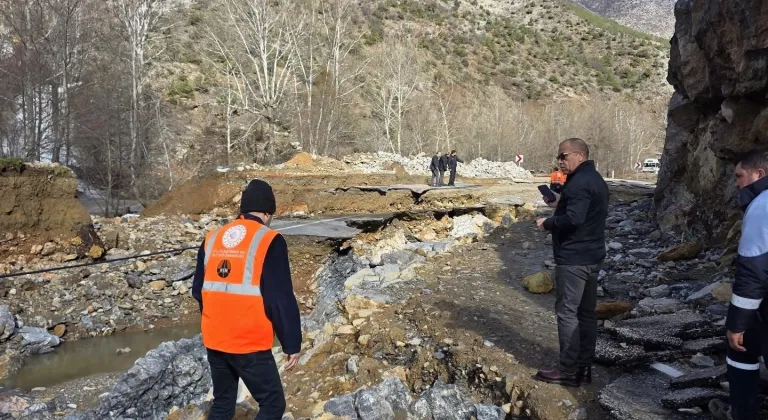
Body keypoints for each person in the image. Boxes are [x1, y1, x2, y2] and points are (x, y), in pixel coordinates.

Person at [192, 179, 302, 420]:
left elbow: (198, 290)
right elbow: (279, 298)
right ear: (268, 212)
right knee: (273, 405)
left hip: (215, 339)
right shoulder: (269, 239)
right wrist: (292, 344)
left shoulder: (212, 237)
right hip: (248, 342)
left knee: (223, 404)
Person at [534, 138, 609, 387]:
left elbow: (574, 219)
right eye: (559, 157)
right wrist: (559, 204)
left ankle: (567, 370)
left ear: (579, 155)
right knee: (586, 314)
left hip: (574, 258)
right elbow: (584, 211)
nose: (560, 161)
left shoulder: (579, 182)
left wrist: (548, 223)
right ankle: (583, 368)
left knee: (567, 313)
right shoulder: (594, 179)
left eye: (563, 156)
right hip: (592, 255)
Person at [715, 149, 768, 420]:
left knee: (741, 350)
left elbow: (753, 274)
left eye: (739, 176)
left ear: (759, 174)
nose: (737, 183)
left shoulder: (761, 206)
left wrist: (737, 324)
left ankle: (742, 413)